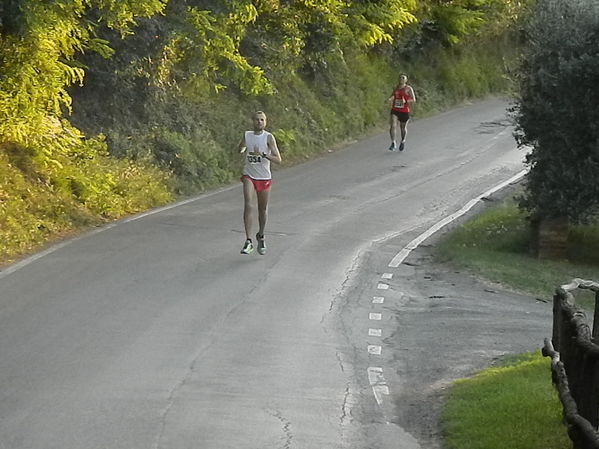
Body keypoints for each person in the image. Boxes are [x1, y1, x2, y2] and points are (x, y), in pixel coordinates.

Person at [238, 111, 282, 255]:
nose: (259, 122)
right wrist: (242, 149)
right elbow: (241, 148)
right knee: (248, 204)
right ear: (252, 121)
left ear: (265, 122)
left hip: (264, 177)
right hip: (249, 175)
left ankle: (261, 235)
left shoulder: (268, 137)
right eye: (257, 120)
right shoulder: (247, 135)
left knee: (262, 210)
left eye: (262, 120)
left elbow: (278, 159)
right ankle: (248, 240)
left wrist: (263, 154)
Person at [388, 73, 416, 151]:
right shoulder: (396, 88)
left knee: (403, 128)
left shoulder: (409, 89)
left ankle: (403, 141)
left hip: (404, 111)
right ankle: (393, 143)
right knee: (393, 126)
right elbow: (393, 95)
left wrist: (406, 101)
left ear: (406, 80)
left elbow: (413, 100)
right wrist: (390, 99)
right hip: (395, 110)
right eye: (400, 78)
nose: (401, 79)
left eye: (403, 78)